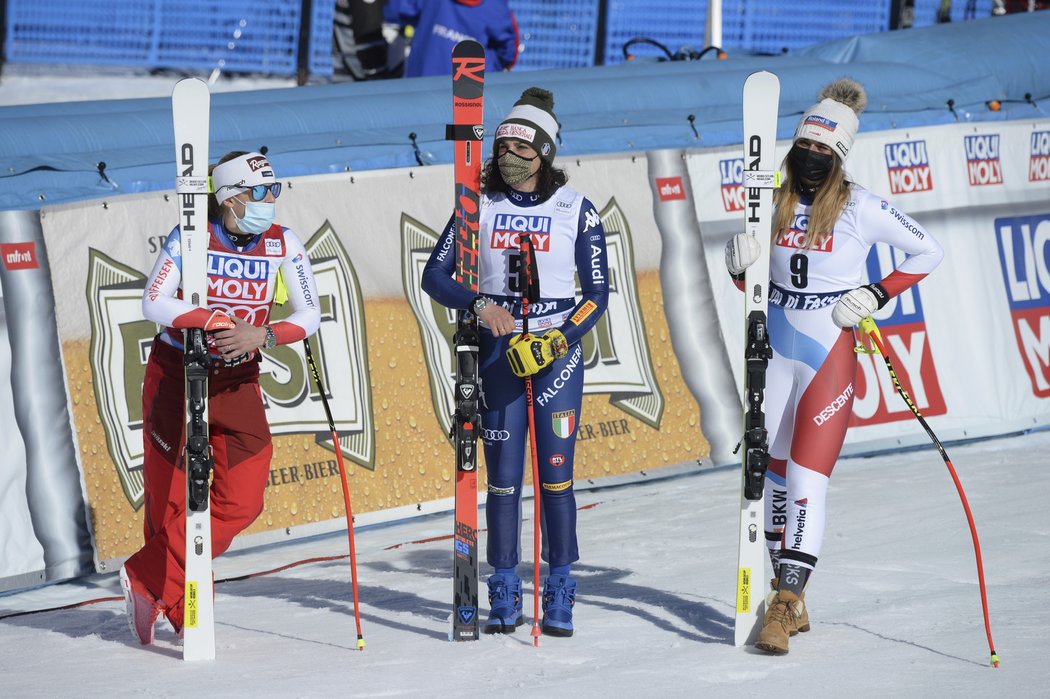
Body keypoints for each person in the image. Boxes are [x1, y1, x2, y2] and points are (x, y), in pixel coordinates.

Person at [724, 79, 944, 654]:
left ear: (841, 155)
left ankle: (786, 602)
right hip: (773, 349)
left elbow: (929, 250)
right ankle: (783, 589)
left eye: (826, 150)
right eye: (807, 146)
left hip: (829, 355)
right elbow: (750, 281)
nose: (813, 156)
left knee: (805, 480)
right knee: (765, 474)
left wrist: (876, 292)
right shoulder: (769, 196)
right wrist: (736, 264)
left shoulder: (862, 206)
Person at [422, 87, 609, 636]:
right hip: (500, 351)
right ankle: (502, 585)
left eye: (521, 150)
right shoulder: (476, 208)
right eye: (501, 147)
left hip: (555, 355)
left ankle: (560, 589)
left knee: (556, 478)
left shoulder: (576, 208)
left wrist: (559, 339)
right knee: (502, 481)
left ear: (545, 154)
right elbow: (434, 275)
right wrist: (478, 303)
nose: (508, 157)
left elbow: (598, 292)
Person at [120, 151, 321, 645]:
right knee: (170, 500)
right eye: (260, 193)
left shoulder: (282, 243)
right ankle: (181, 606)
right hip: (177, 373)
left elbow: (310, 313)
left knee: (243, 498)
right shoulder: (192, 236)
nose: (271, 202)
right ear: (228, 198)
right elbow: (154, 300)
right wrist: (206, 318)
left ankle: (145, 574)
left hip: (237, 378)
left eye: (276, 191)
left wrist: (264, 335)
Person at [384, 0, 518, 78]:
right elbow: (509, 53)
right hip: (471, 95)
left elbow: (396, 11)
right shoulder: (497, 7)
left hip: (421, 83)